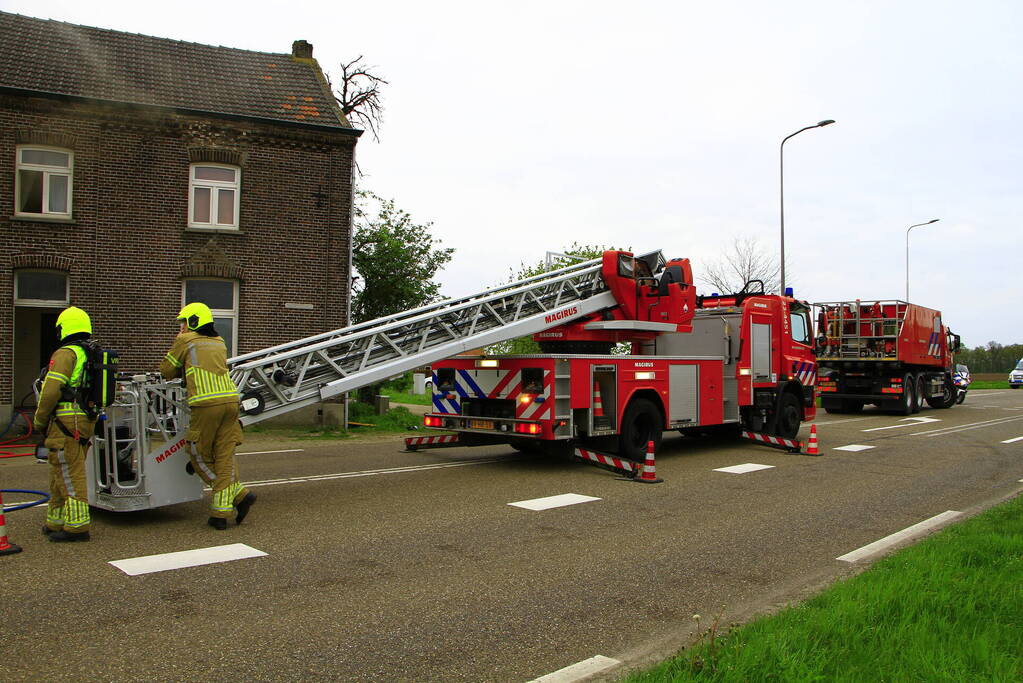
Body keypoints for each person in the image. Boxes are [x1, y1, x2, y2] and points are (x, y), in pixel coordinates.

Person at [160, 302, 255, 530]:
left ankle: (238, 493)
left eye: (184, 322)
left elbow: (167, 370)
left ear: (193, 321)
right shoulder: (219, 341)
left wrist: (178, 340)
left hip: (206, 404)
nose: (182, 326)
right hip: (231, 401)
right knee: (224, 455)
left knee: (197, 452)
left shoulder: (186, 340)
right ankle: (220, 515)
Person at [34, 306, 97, 542]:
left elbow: (51, 391)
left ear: (65, 327)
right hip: (83, 420)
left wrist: (39, 420)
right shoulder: (89, 352)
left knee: (70, 472)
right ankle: (56, 520)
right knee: (59, 468)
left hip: (66, 422)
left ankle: (77, 527)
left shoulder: (66, 353)